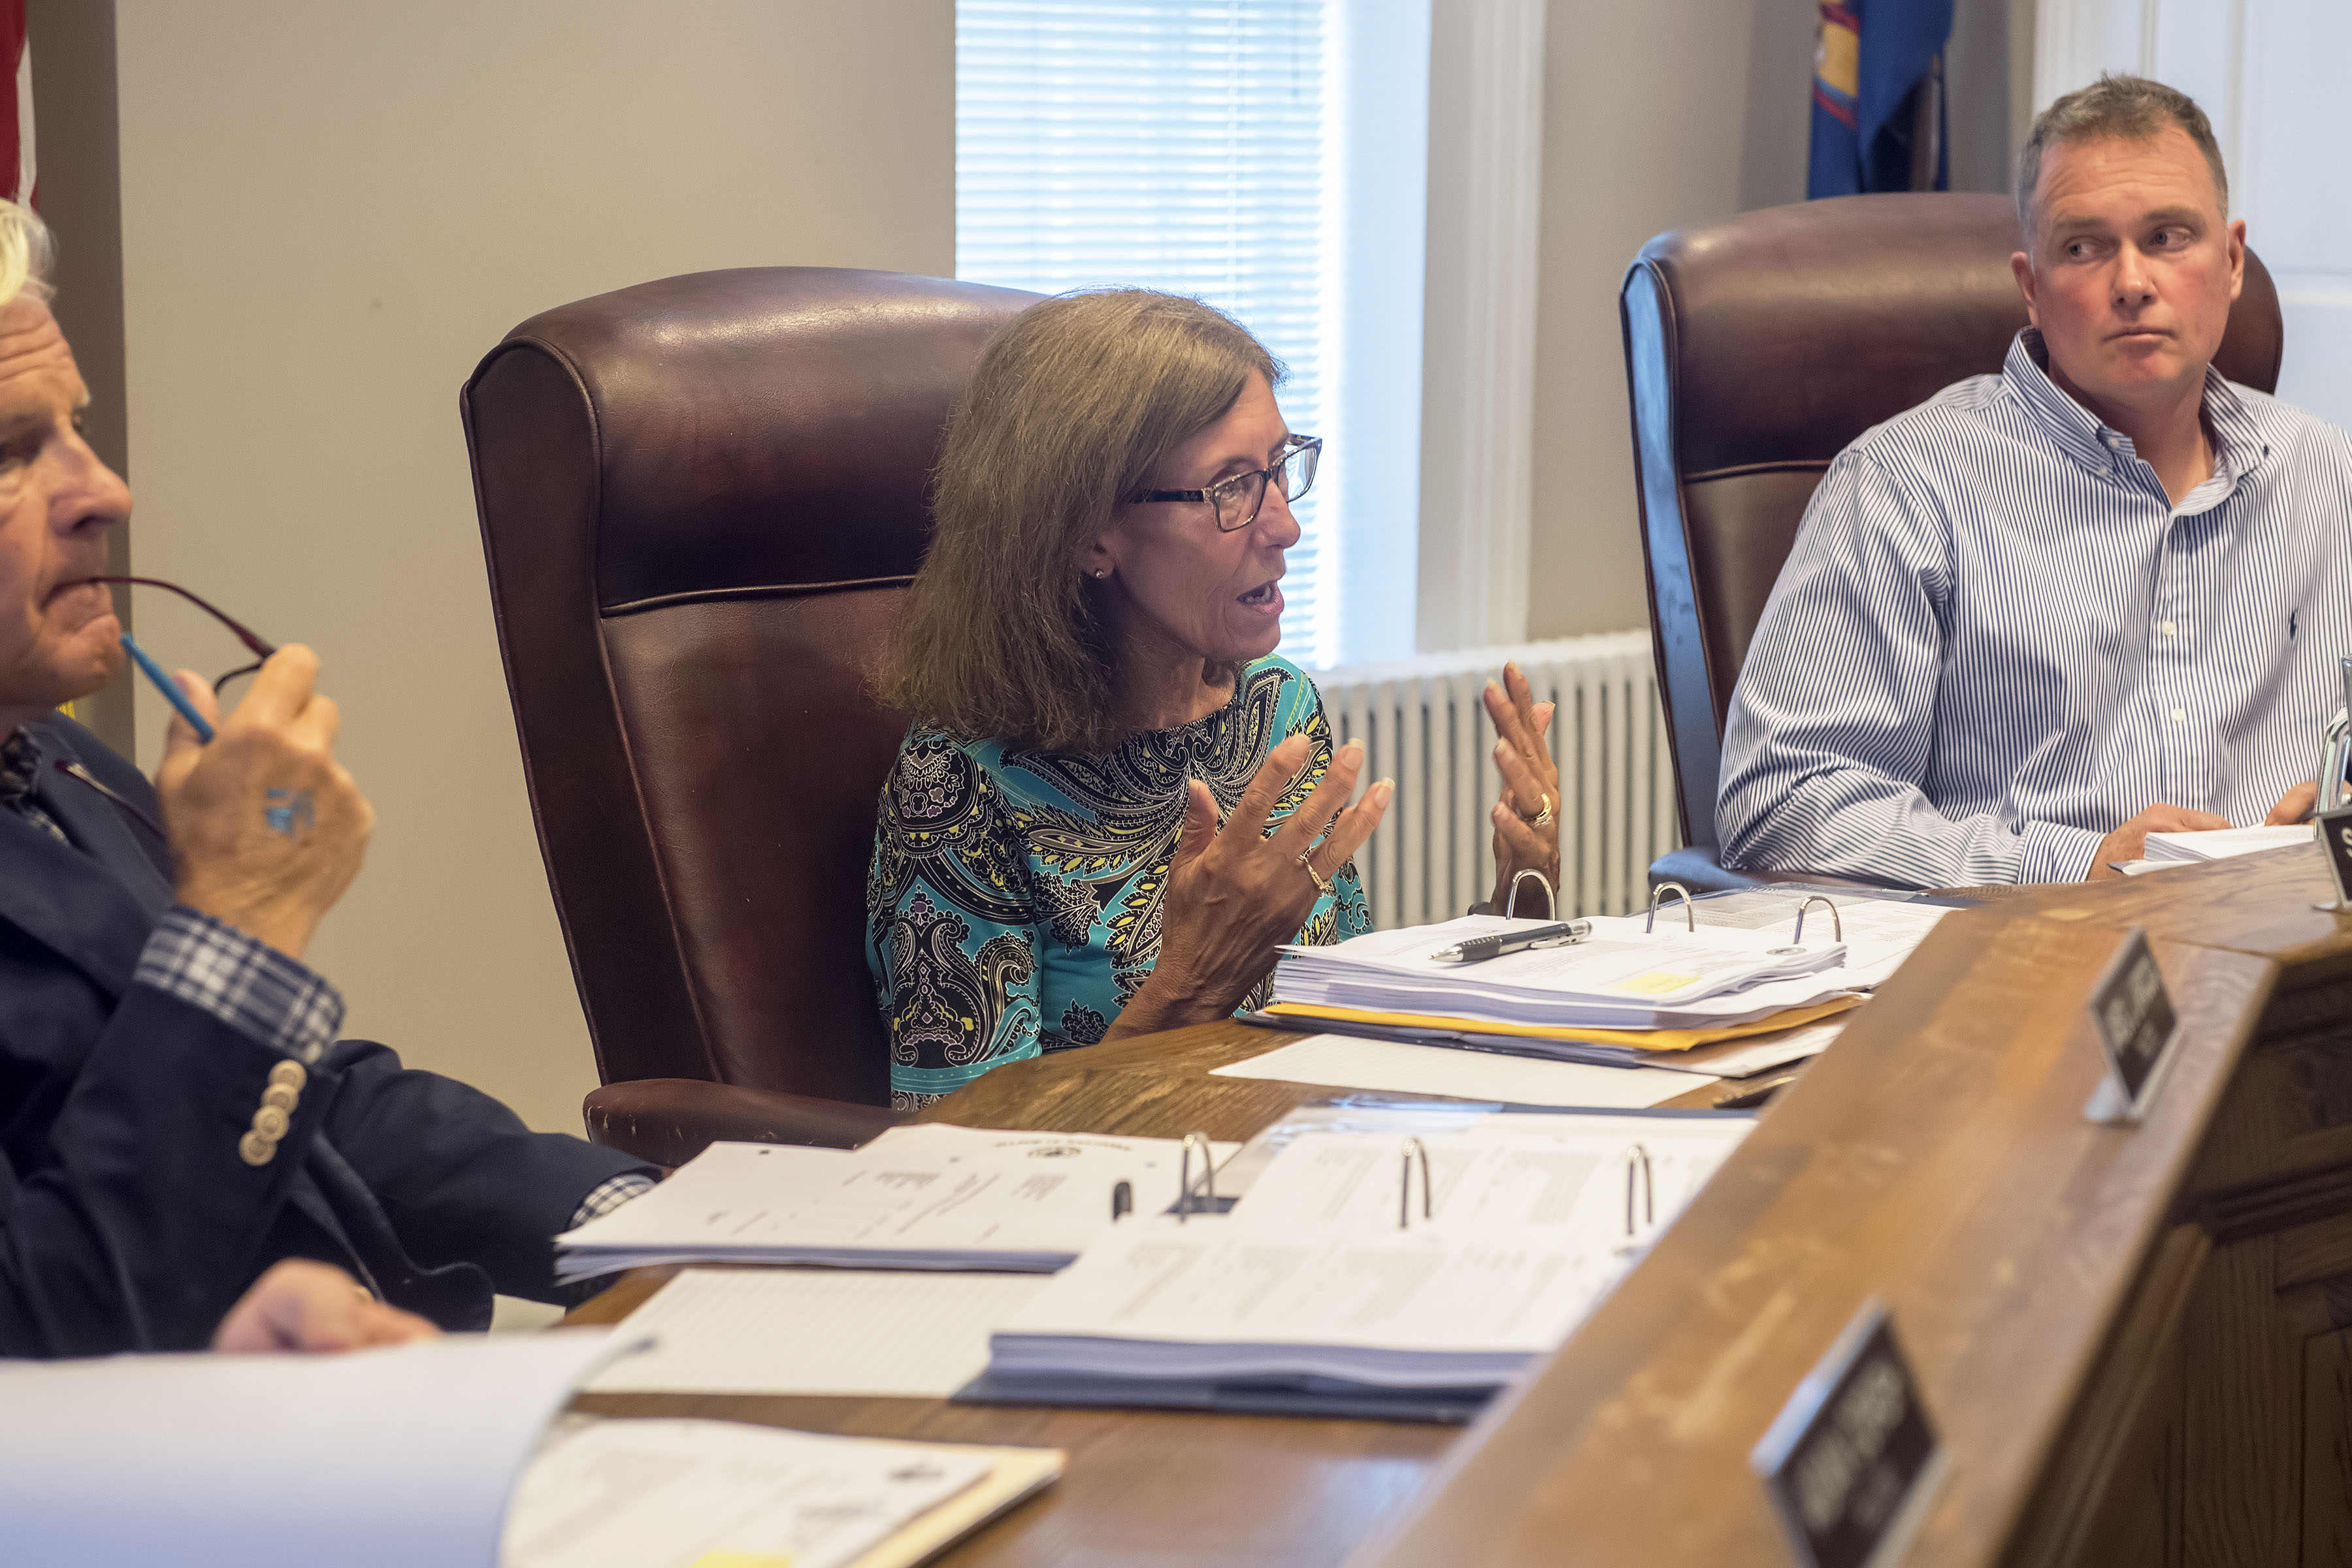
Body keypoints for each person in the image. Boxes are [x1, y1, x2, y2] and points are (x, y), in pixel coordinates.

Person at [0, 197, 656, 1357]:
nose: (106, 490)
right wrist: (249, 919)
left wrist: (646, 1224)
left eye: (77, 432)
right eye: (13, 450)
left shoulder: (47, 757)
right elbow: (43, 1323)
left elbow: (300, 1091)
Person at [867, 290, 1561, 1108]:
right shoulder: (957, 784)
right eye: (1231, 488)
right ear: (1089, 532)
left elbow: (1351, 1027)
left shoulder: (1278, 708)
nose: (1285, 527)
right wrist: (1190, 988)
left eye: (1279, 470)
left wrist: (1519, 900)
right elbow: (961, 1159)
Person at [1716, 74, 2351, 888]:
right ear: (2031, 286)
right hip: (2029, 972)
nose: (2132, 281)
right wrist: (2074, 864)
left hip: (2296, 963)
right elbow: (1781, 801)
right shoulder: (1907, 487)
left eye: (2168, 236)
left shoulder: (2328, 472)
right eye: (2084, 246)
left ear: (2231, 262)